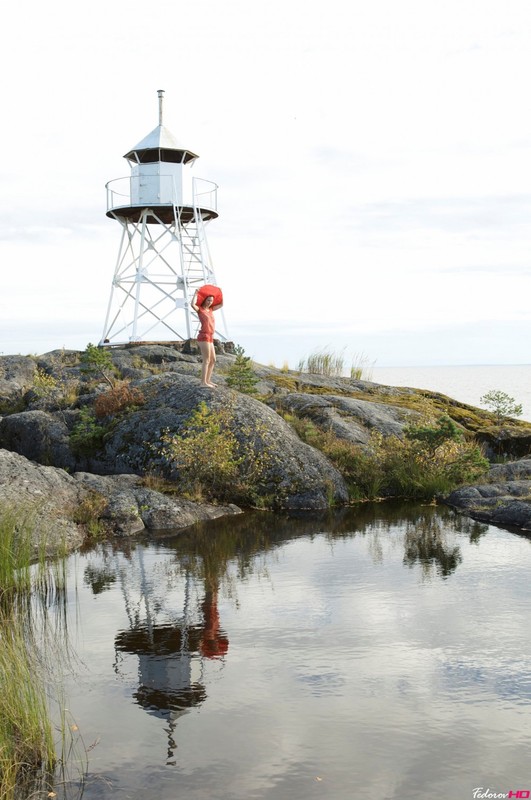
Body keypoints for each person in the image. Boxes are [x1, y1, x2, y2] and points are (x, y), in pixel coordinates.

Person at [191, 289, 223, 387]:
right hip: (204, 336)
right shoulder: (200, 309)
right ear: (205, 300)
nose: (210, 302)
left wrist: (220, 293)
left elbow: (221, 305)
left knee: (213, 360)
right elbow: (192, 304)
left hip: (210, 336)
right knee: (207, 360)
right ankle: (203, 383)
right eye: (208, 300)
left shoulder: (211, 310)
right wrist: (196, 294)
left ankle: (208, 380)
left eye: (211, 301)